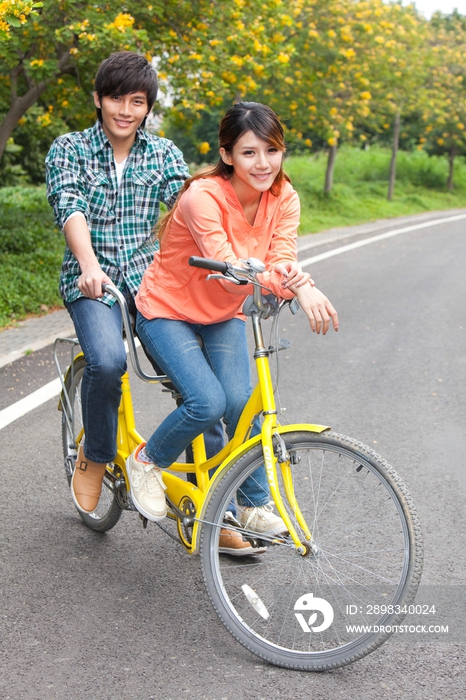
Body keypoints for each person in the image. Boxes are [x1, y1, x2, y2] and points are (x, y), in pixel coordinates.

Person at [129, 101, 339, 553]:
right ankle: (146, 461)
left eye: (272, 150)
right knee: (207, 401)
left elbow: (282, 255)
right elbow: (228, 265)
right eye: (249, 153)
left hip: (222, 314)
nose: (263, 163)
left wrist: (296, 279)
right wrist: (298, 287)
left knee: (242, 403)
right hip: (167, 311)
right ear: (227, 155)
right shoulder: (202, 196)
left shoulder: (284, 197)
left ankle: (251, 504)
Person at [45, 52, 225, 534]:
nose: (125, 110)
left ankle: (216, 501)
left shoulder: (164, 153)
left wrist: (223, 256)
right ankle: (97, 455)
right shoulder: (70, 149)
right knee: (107, 361)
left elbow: (187, 208)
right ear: (98, 99)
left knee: (199, 382)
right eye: (116, 99)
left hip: (153, 284)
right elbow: (70, 207)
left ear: (147, 108)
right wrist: (88, 266)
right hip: (93, 281)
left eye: (137, 101)